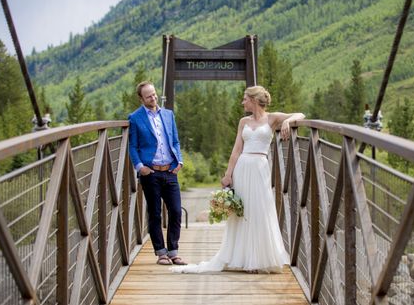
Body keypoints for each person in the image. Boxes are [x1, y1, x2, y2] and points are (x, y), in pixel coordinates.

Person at [172, 85, 305, 274]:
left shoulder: (272, 118)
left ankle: (258, 259)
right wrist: (228, 174)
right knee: (242, 212)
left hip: (260, 167)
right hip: (242, 167)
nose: (242, 102)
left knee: (260, 210)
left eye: (245, 99)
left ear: (253, 100)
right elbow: (236, 150)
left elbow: (301, 114)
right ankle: (243, 258)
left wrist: (287, 122)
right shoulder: (243, 121)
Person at [128, 81, 187, 265]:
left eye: (154, 94)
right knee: (155, 213)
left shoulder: (168, 115)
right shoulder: (135, 118)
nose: (153, 98)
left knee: (176, 211)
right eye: (148, 96)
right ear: (141, 99)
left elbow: (175, 141)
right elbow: (133, 146)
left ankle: (173, 251)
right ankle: (161, 253)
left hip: (170, 170)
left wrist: (179, 160)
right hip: (150, 172)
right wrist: (140, 167)